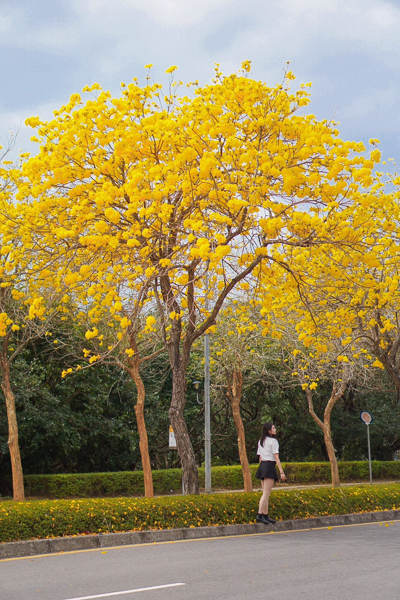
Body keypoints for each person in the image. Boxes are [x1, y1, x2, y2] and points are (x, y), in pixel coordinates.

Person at [255, 422, 286, 525]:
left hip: (262, 466)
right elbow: (276, 457)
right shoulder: (273, 441)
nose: (275, 429)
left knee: (265, 493)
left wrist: (261, 469)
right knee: (266, 493)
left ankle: (265, 515)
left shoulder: (261, 441)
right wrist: (281, 472)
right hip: (269, 466)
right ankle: (260, 514)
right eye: (273, 428)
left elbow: (260, 457)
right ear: (269, 431)